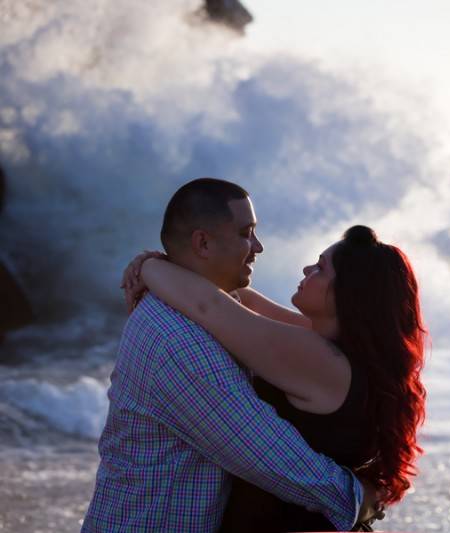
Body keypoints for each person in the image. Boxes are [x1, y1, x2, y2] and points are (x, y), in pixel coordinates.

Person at [83, 178, 379, 532]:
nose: (258, 247)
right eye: (246, 232)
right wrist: (355, 498)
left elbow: (246, 312)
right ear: (203, 243)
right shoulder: (180, 340)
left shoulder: (205, 311)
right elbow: (264, 452)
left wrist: (153, 265)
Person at [121, 219, 427, 531]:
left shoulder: (316, 358)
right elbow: (245, 299)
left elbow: (208, 306)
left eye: (321, 268)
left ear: (349, 293)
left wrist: (148, 268)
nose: (307, 269)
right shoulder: (337, 349)